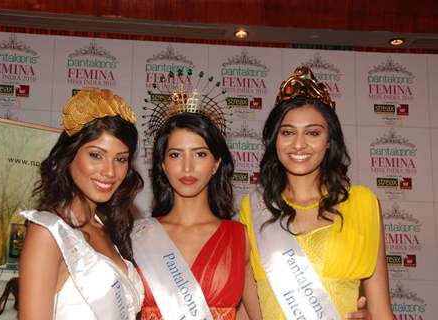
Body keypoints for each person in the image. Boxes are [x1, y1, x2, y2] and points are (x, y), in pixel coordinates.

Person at [239, 67, 393, 319]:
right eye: (288, 132)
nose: (299, 144)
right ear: (274, 140)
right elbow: (249, 306)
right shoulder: (255, 208)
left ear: (329, 140)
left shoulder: (363, 204)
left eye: (313, 133)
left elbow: (381, 311)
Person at [132, 70, 262, 320]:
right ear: (163, 165)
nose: (187, 167)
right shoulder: (136, 235)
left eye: (200, 154)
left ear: (216, 164)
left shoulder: (241, 239)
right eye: (176, 154)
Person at [18, 88, 144, 320]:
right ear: (70, 154)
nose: (109, 171)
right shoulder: (48, 232)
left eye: (120, 159)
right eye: (96, 155)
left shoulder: (106, 227)